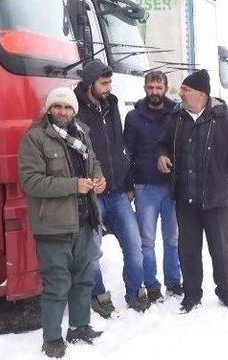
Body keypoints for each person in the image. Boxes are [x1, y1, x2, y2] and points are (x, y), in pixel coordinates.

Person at [18, 87, 104, 358]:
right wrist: (73, 185)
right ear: (49, 109)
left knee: (83, 279)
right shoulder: (35, 138)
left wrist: (99, 180)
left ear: (74, 110)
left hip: (84, 220)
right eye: (57, 107)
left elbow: (94, 163)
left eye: (67, 108)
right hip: (54, 226)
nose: (63, 112)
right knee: (56, 283)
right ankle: (52, 338)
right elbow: (31, 182)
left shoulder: (82, 133)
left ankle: (79, 327)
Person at [157, 69, 228, 313]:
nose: (181, 94)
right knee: (188, 250)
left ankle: (226, 292)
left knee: (219, 249)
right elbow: (163, 144)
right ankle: (192, 295)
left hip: (216, 199)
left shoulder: (226, 119)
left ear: (201, 94)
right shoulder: (176, 118)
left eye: (186, 90)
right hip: (186, 197)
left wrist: (226, 179)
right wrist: (162, 155)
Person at [74, 60, 150, 317]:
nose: (108, 88)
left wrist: (127, 182)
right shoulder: (75, 110)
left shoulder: (112, 105)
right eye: (104, 83)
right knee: (92, 251)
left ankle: (134, 291)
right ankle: (98, 295)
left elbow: (119, 148)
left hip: (117, 192)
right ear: (89, 83)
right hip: (92, 194)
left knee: (134, 245)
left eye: (109, 83)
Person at [124, 71, 182, 302]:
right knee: (146, 241)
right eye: (151, 87)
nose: (155, 92)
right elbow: (126, 152)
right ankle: (151, 283)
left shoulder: (176, 113)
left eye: (159, 87)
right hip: (145, 185)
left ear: (166, 88)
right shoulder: (134, 116)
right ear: (145, 87)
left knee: (173, 239)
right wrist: (129, 183)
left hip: (171, 186)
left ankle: (173, 281)